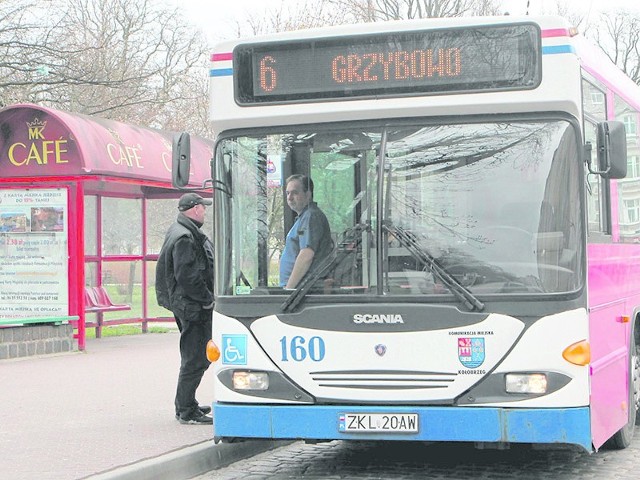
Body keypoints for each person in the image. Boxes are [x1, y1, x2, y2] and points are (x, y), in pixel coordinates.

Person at [156, 192, 214, 425]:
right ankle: (186, 409)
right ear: (195, 209)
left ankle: (187, 403)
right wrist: (207, 299)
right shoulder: (184, 236)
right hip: (192, 306)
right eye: (203, 207)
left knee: (196, 355)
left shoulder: (182, 231)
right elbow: (187, 275)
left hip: (188, 304)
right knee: (194, 357)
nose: (205, 211)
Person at [279, 174, 333, 289]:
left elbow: (306, 255)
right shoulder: (303, 217)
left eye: (295, 193)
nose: (289, 198)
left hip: (302, 291)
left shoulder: (311, 216)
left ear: (308, 195)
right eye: (288, 193)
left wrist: (289, 290)